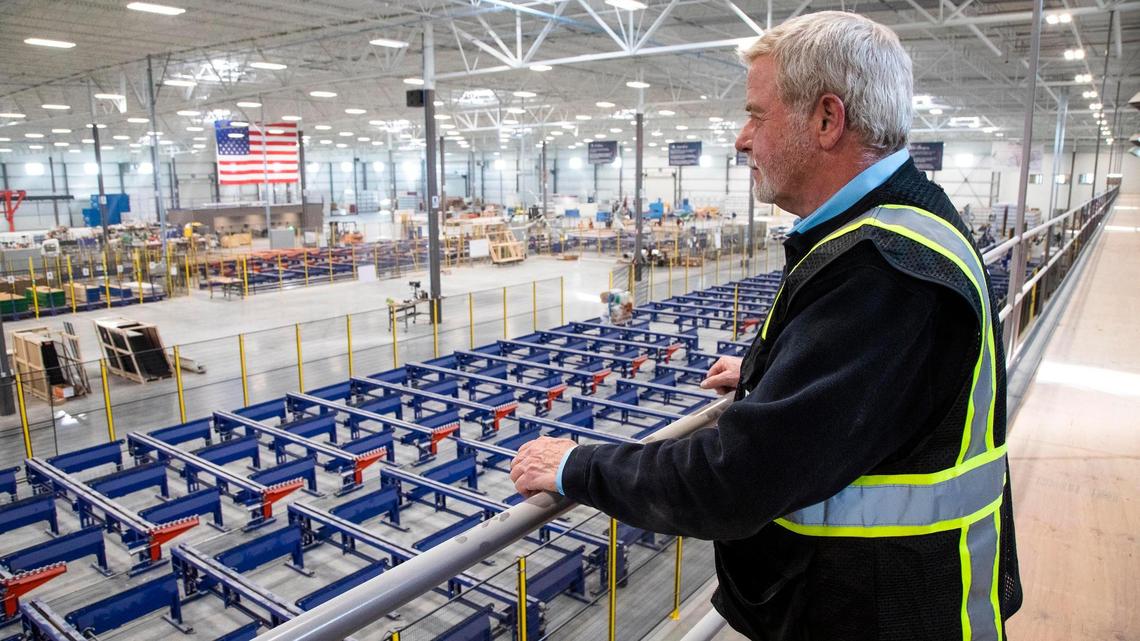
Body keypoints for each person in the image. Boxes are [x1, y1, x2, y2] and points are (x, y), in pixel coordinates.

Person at [510, 11, 1022, 640]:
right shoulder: (892, 224)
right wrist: (767, 374)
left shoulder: (885, 272)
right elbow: (865, 385)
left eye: (757, 114)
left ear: (827, 120)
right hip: (872, 596)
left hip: (886, 610)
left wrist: (578, 466)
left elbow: (736, 480)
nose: (740, 139)